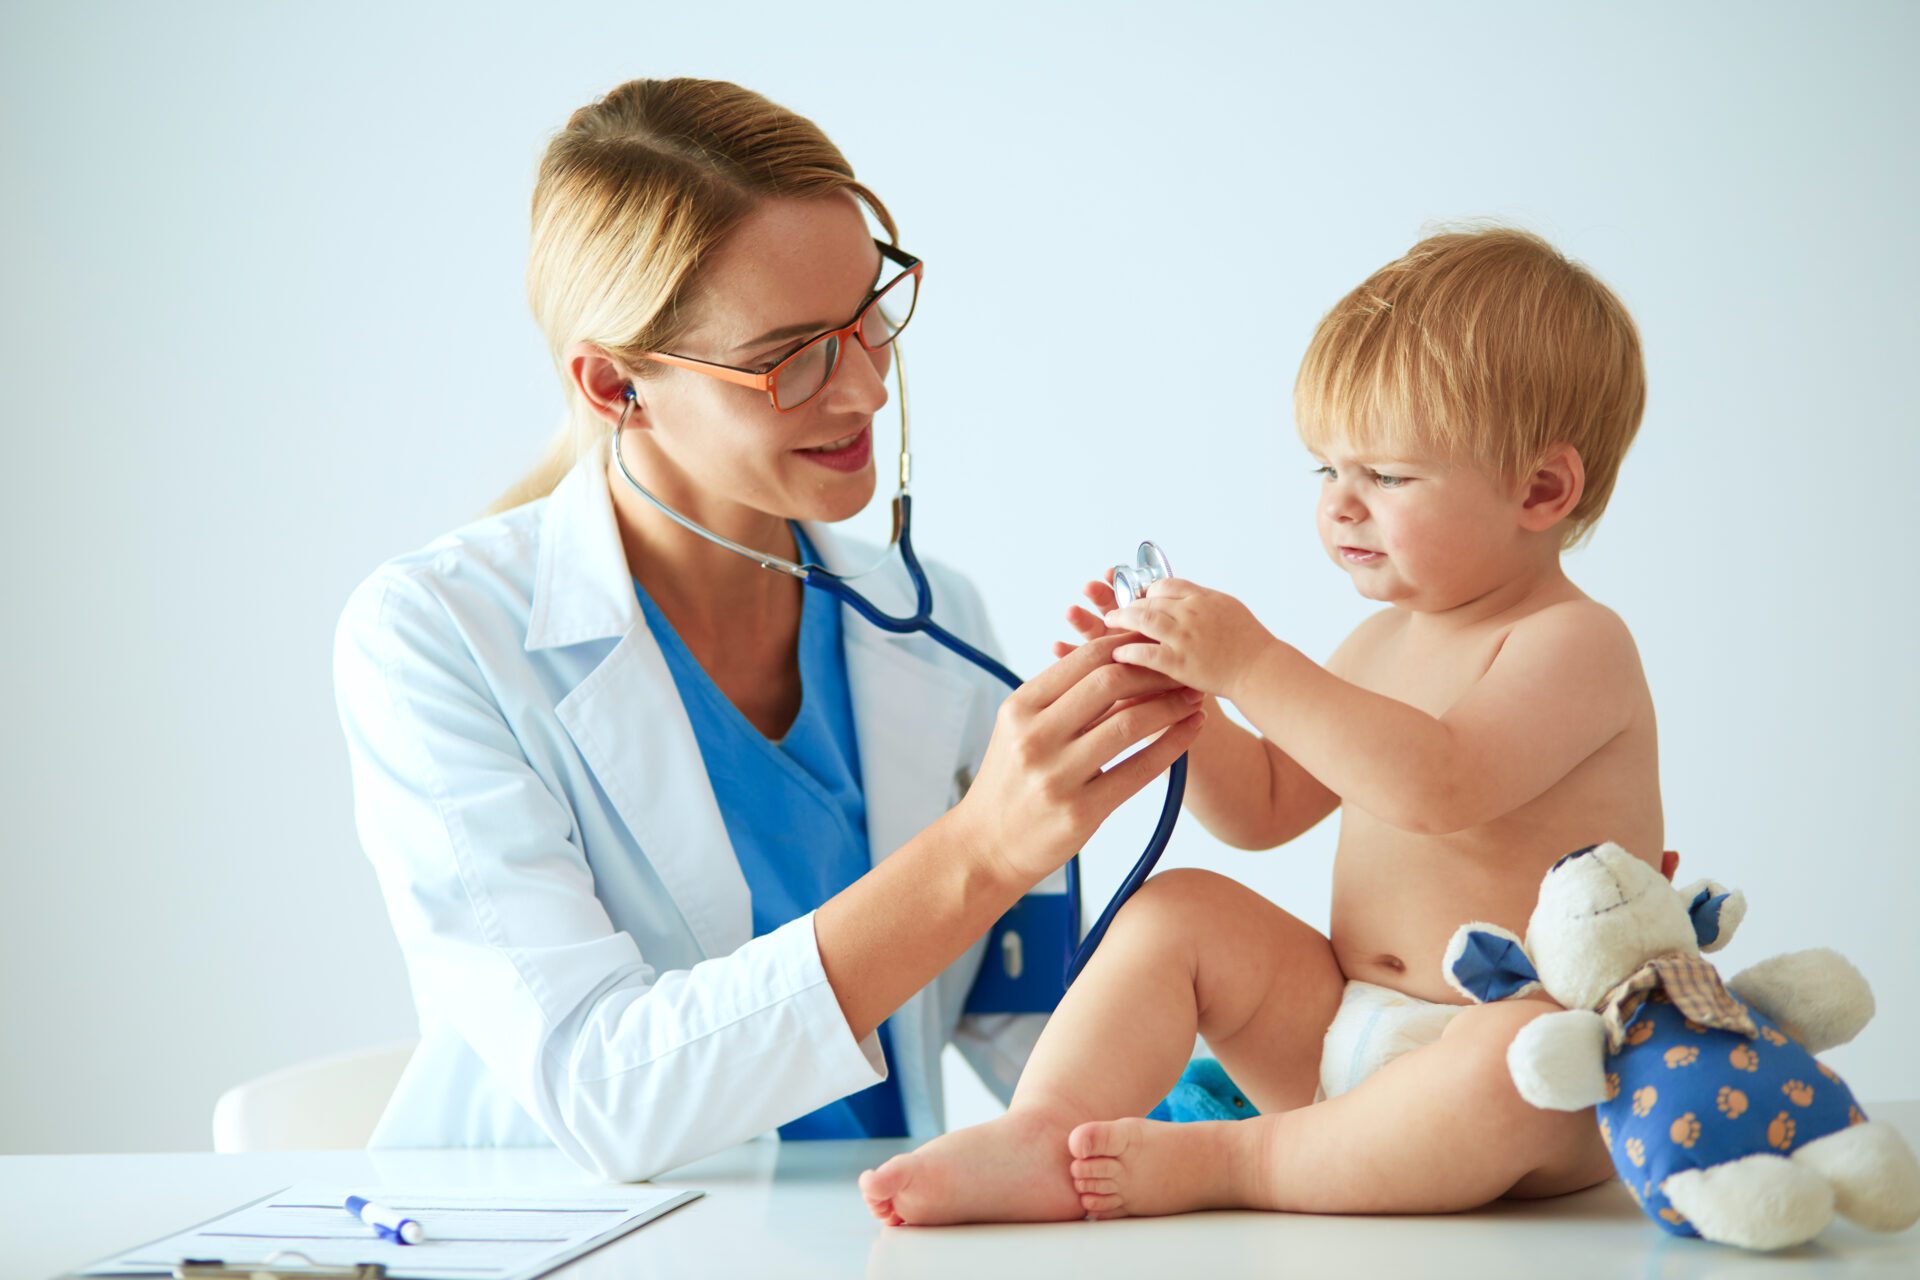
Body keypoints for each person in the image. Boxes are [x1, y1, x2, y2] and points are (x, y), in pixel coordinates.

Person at [331, 77, 1203, 1182]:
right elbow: (605, 1092)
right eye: (792, 354)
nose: (862, 390)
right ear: (613, 386)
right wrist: (981, 849)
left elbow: (1020, 1016)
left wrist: (1340, 1090)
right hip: (581, 1241)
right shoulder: (437, 637)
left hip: (865, 1227)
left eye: (869, 319)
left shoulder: (933, 620)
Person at [859, 226, 1659, 1223]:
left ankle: (1239, 1160)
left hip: (1519, 1064)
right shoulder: (1380, 642)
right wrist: (1189, 702)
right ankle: (1047, 1128)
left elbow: (1437, 784)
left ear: (1542, 488)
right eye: (1325, 471)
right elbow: (1268, 809)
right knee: (1183, 904)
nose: (1342, 507)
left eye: (1388, 476)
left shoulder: (1574, 643)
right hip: (1342, 1035)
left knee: (1515, 1059)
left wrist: (1251, 660)